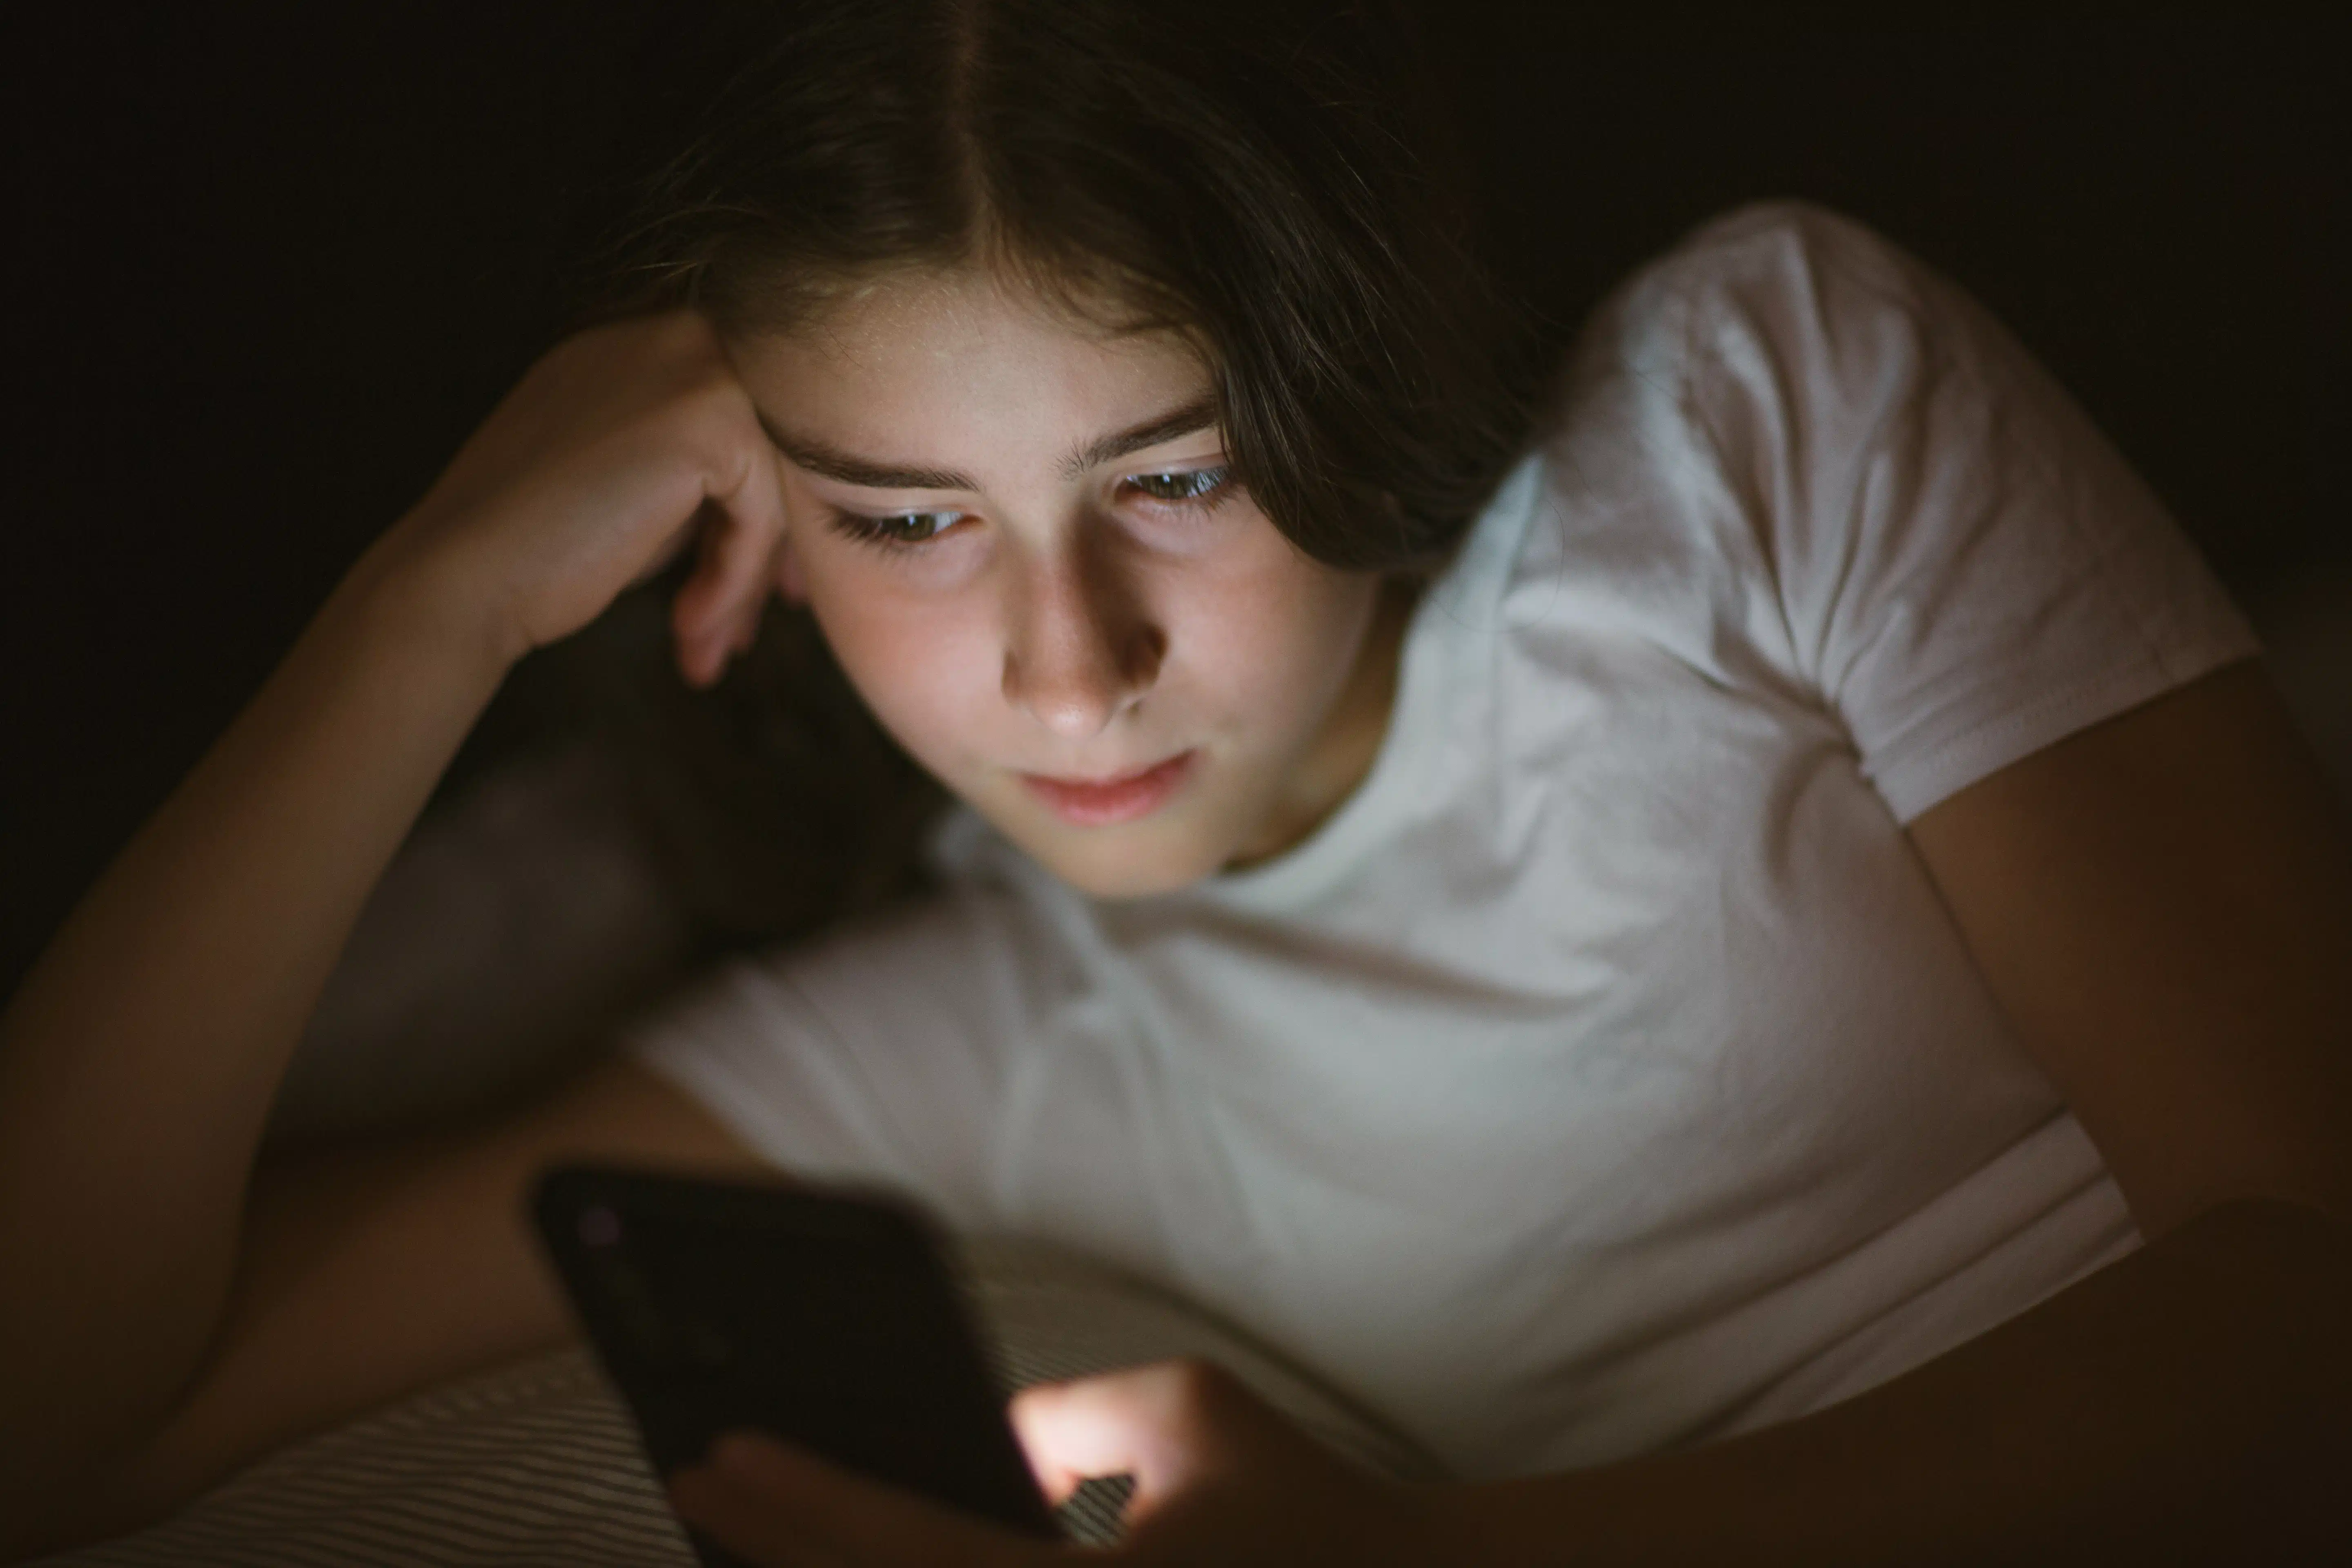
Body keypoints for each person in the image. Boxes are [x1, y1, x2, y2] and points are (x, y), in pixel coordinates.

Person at [3, 0, 2348, 1561]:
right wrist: (423, 607)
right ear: (762, 538)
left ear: (1347, 377)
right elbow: (67, 1416)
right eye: (910, 519)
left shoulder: (1751, 409)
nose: (1069, 664)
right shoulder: (944, 1046)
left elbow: (2309, 1287)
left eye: (1180, 475)